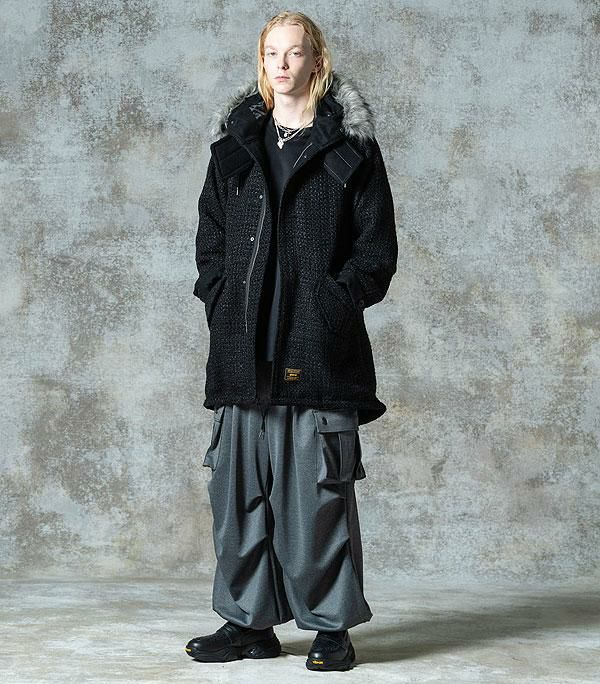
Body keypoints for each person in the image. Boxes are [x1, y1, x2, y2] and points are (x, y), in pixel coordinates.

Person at [185, 10, 397, 672]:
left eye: (294, 52)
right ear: (263, 60)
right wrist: (221, 300)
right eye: (272, 52)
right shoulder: (234, 148)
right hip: (242, 355)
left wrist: (332, 305)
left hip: (318, 353)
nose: (282, 64)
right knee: (238, 500)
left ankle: (331, 629)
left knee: (316, 502)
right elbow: (211, 240)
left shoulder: (350, 152)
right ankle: (248, 624)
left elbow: (376, 252)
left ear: (316, 61)